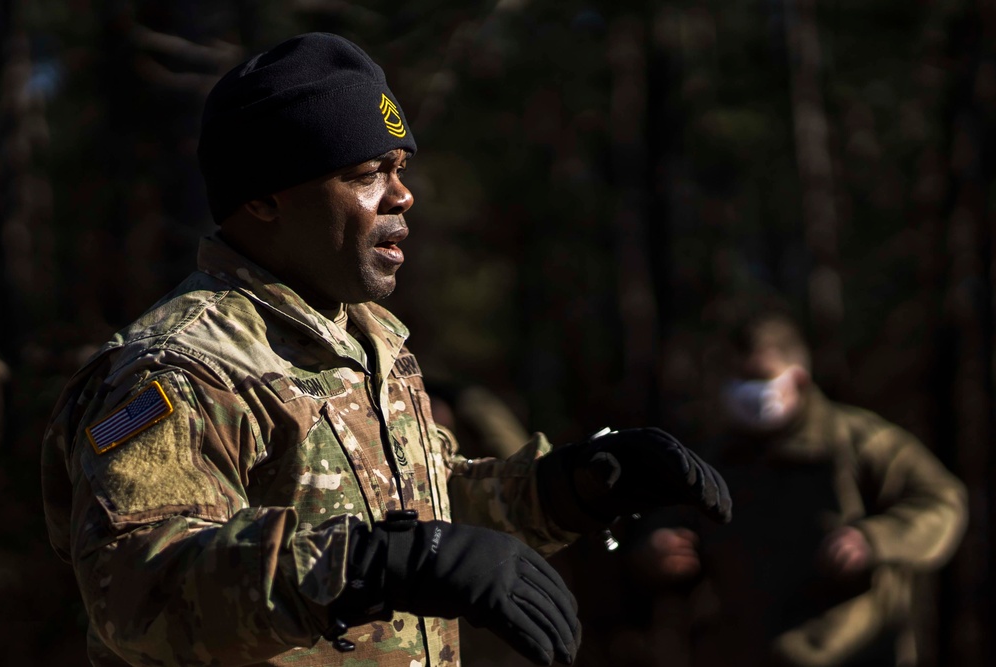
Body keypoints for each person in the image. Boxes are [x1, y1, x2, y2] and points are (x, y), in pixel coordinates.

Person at [41, 33, 731, 667]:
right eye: (368, 171)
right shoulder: (177, 368)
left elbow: (424, 528)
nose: (403, 193)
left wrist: (570, 487)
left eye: (400, 166)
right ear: (265, 199)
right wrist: (373, 566)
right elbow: (136, 586)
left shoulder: (372, 339)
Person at [642, 309, 967, 667]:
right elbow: (669, 527)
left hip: (853, 654)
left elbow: (943, 501)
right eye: (737, 377)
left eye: (759, 377)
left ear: (797, 379)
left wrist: (875, 538)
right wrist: (660, 548)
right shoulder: (716, 457)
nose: (746, 390)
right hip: (744, 653)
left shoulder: (860, 442)